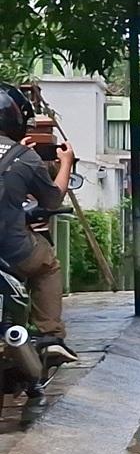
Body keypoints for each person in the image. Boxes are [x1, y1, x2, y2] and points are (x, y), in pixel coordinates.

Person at [0, 84, 76, 362]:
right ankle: (50, 335)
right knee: (47, 265)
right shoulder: (25, 158)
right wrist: (65, 162)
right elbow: (52, 200)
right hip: (13, 250)